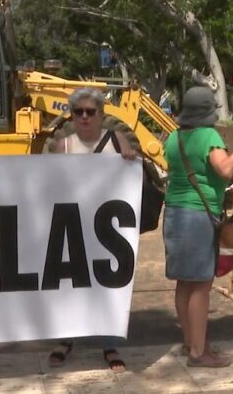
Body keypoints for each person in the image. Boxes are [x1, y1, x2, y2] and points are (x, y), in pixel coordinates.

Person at [163, 86, 233, 368]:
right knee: (201, 285)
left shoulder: (173, 137)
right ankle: (198, 352)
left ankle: (191, 341)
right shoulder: (209, 136)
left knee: (185, 283)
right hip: (198, 216)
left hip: (174, 213)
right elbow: (226, 170)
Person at [47, 87, 136, 372]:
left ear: (101, 114)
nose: (84, 117)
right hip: (73, 224)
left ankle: (109, 344)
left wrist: (129, 158)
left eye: (90, 111)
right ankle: (66, 338)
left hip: (106, 228)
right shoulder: (64, 145)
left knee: (107, 285)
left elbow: (132, 174)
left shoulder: (117, 139)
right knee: (69, 285)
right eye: (78, 112)